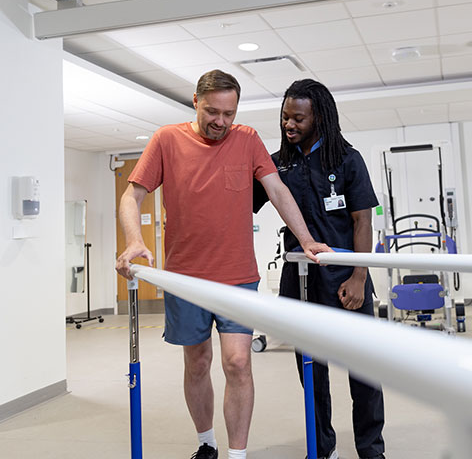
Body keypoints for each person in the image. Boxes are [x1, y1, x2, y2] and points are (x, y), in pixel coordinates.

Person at [115, 70, 330, 459]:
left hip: (238, 277)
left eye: (229, 113)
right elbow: (132, 197)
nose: (221, 122)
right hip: (185, 279)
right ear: (195, 101)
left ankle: (237, 454)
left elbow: (277, 190)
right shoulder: (167, 140)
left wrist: (306, 239)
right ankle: (206, 443)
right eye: (213, 111)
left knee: (237, 362)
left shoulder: (247, 139)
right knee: (197, 363)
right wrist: (134, 240)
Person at [254, 79, 385, 459]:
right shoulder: (279, 163)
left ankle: (371, 450)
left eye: (298, 118)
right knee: (312, 371)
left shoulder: (347, 158)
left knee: (363, 372)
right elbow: (245, 202)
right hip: (301, 281)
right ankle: (322, 447)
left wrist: (359, 276)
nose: (289, 125)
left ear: (319, 118)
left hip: (348, 278)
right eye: (284, 117)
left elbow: (363, 221)